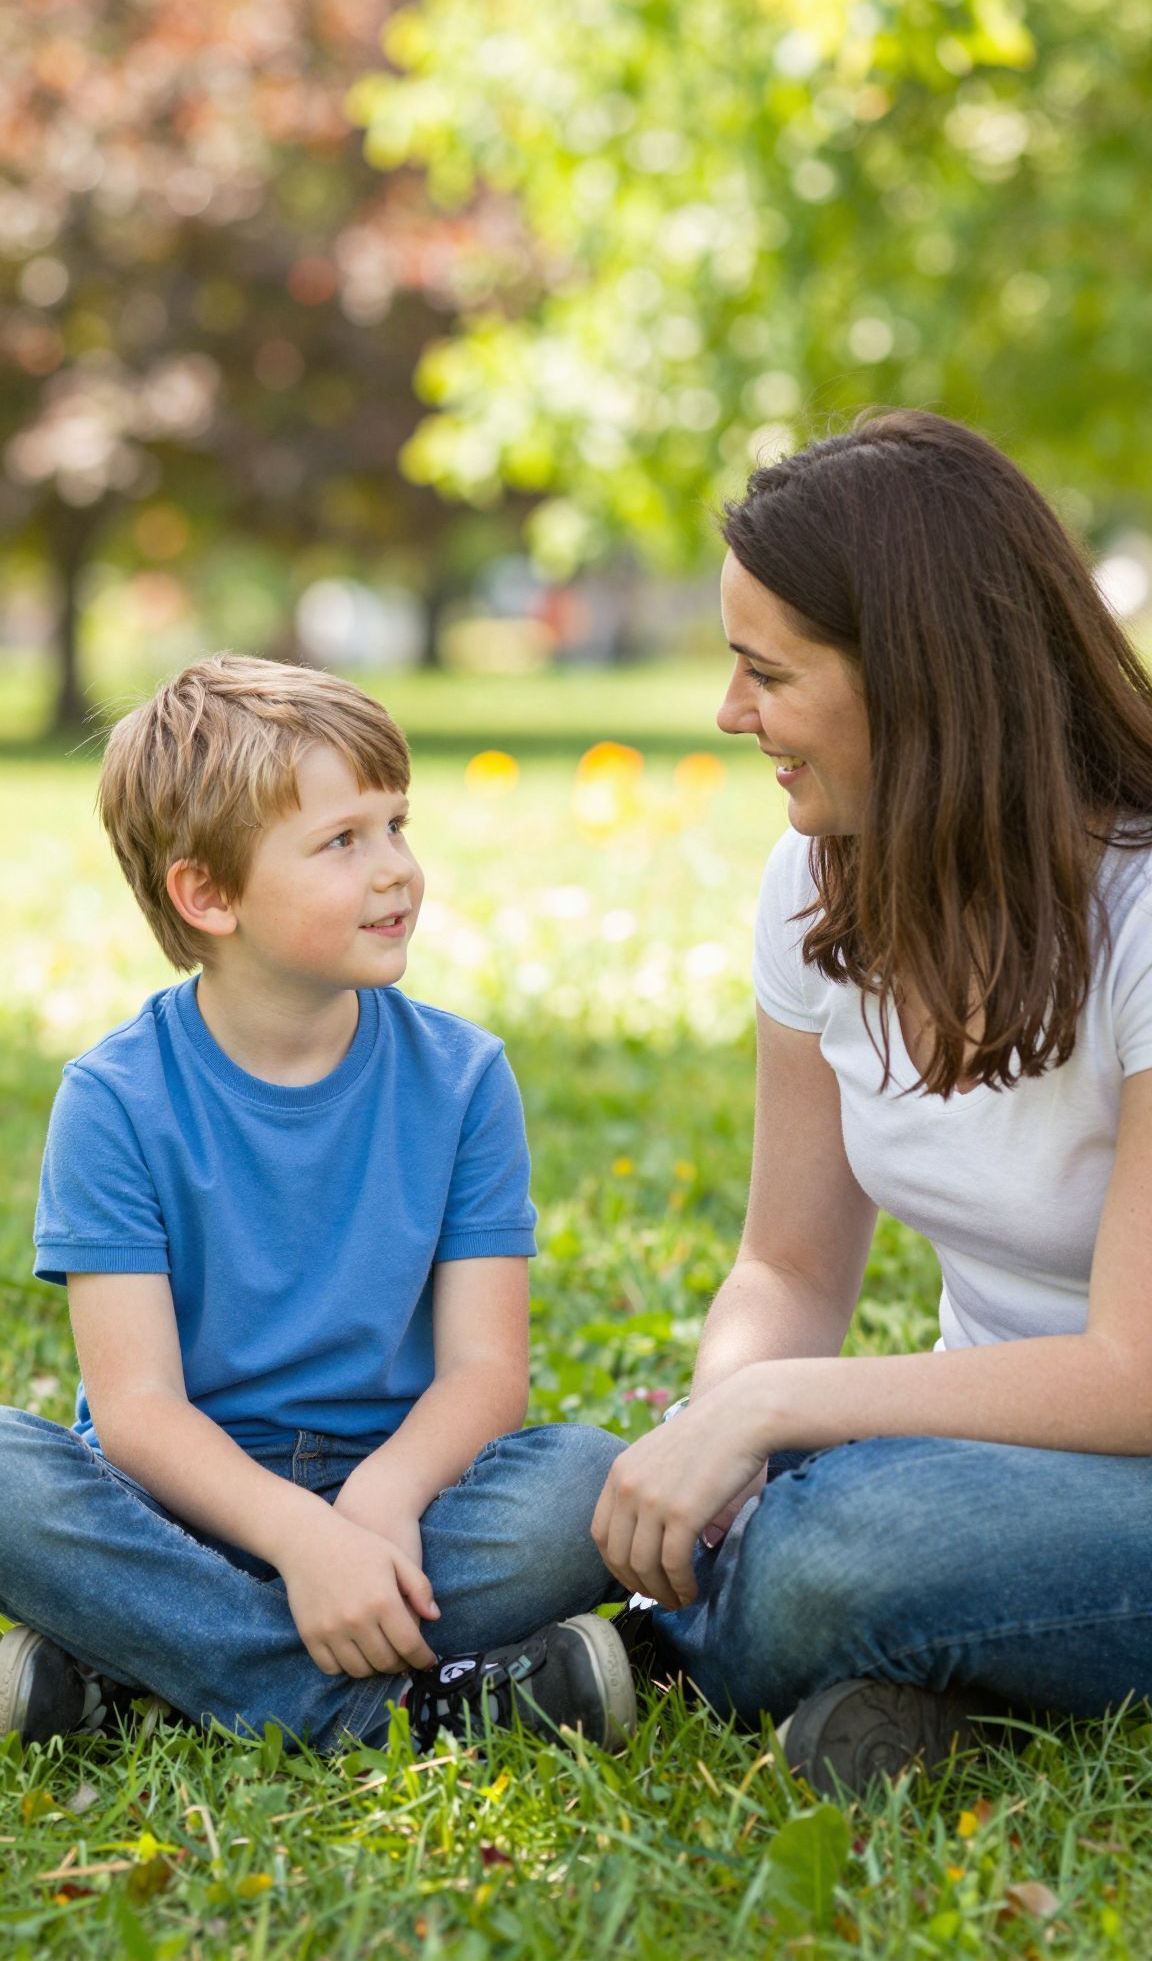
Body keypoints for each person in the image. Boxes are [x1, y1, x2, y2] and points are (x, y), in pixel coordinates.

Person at [594, 409, 1152, 1795]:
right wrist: (720, 1431)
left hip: (1094, 1470)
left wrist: (774, 1414)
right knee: (580, 1486)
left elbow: (1136, 1374)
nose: (731, 714)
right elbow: (786, 1263)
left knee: (852, 1544)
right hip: (970, 1466)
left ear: (918, 683)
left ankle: (634, 1659)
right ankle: (918, 1686)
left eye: (764, 671)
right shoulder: (819, 881)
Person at [0, 654, 632, 1755]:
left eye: (397, 823)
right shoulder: (113, 1098)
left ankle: (146, 1668)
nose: (396, 870)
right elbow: (138, 1409)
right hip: (175, 1512)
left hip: (398, 1508)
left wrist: (377, 1502)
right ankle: (380, 1706)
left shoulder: (465, 1077)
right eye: (343, 840)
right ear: (209, 893)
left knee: (589, 1481)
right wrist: (296, 1536)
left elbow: (486, 1371)